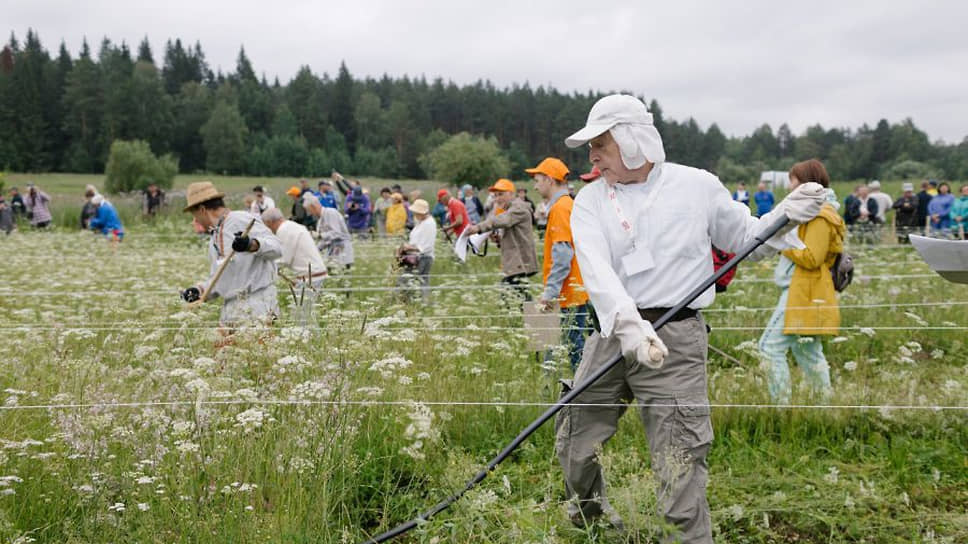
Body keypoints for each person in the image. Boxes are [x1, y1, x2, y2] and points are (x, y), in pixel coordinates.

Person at [555, 94, 825, 542]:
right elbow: (598, 274)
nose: (592, 156)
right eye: (590, 147)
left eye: (600, 143)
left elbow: (741, 235)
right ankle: (590, 521)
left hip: (676, 340)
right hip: (613, 333)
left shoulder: (696, 186)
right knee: (575, 437)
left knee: (679, 455)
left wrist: (782, 216)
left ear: (632, 141)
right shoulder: (590, 201)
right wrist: (629, 329)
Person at [758, 159, 844, 405]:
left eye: (793, 179)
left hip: (804, 290)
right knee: (807, 352)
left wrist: (782, 243)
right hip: (806, 288)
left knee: (769, 348)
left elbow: (812, 257)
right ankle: (823, 407)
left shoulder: (819, 216)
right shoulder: (813, 211)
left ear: (806, 181)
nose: (790, 185)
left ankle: (781, 406)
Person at [180, 181, 282, 327]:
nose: (195, 220)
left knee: (251, 348)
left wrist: (251, 244)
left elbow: (277, 247)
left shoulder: (241, 219)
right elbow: (219, 279)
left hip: (257, 307)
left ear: (202, 209)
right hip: (231, 311)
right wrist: (198, 290)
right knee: (221, 348)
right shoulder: (214, 238)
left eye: (194, 215)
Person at [527, 157, 589, 372]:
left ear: (549, 180)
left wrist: (549, 293)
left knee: (572, 348)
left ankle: (584, 394)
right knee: (563, 346)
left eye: (537, 180)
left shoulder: (561, 208)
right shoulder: (567, 205)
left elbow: (563, 254)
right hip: (571, 291)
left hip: (566, 294)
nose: (535, 186)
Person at [465, 179, 538, 304]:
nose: (497, 199)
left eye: (501, 194)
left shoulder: (518, 208)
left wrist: (478, 228)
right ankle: (534, 317)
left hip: (520, 261)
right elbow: (513, 236)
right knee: (516, 296)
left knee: (511, 296)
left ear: (511, 194)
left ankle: (537, 317)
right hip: (515, 261)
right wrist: (499, 240)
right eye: (495, 195)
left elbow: (502, 220)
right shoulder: (511, 209)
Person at [261, 204, 327, 325]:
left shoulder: (284, 230)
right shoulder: (292, 226)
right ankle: (311, 341)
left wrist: (264, 264)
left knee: (302, 317)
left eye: (266, 225)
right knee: (306, 314)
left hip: (310, 276)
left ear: (270, 222)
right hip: (314, 273)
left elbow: (284, 258)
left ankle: (309, 342)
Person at [398, 198, 436, 301]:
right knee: (421, 282)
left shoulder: (429, 224)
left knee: (408, 280)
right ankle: (423, 303)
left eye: (416, 212)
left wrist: (408, 247)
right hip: (416, 256)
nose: (414, 214)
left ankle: (412, 302)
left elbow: (426, 246)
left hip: (422, 258)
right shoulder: (422, 222)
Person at [308, 197, 354, 270]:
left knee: (341, 275)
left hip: (342, 250)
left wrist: (320, 235)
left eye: (310, 211)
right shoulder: (320, 220)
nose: (310, 214)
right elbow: (326, 240)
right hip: (332, 252)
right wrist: (314, 250)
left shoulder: (330, 213)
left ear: (315, 207)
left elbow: (337, 233)